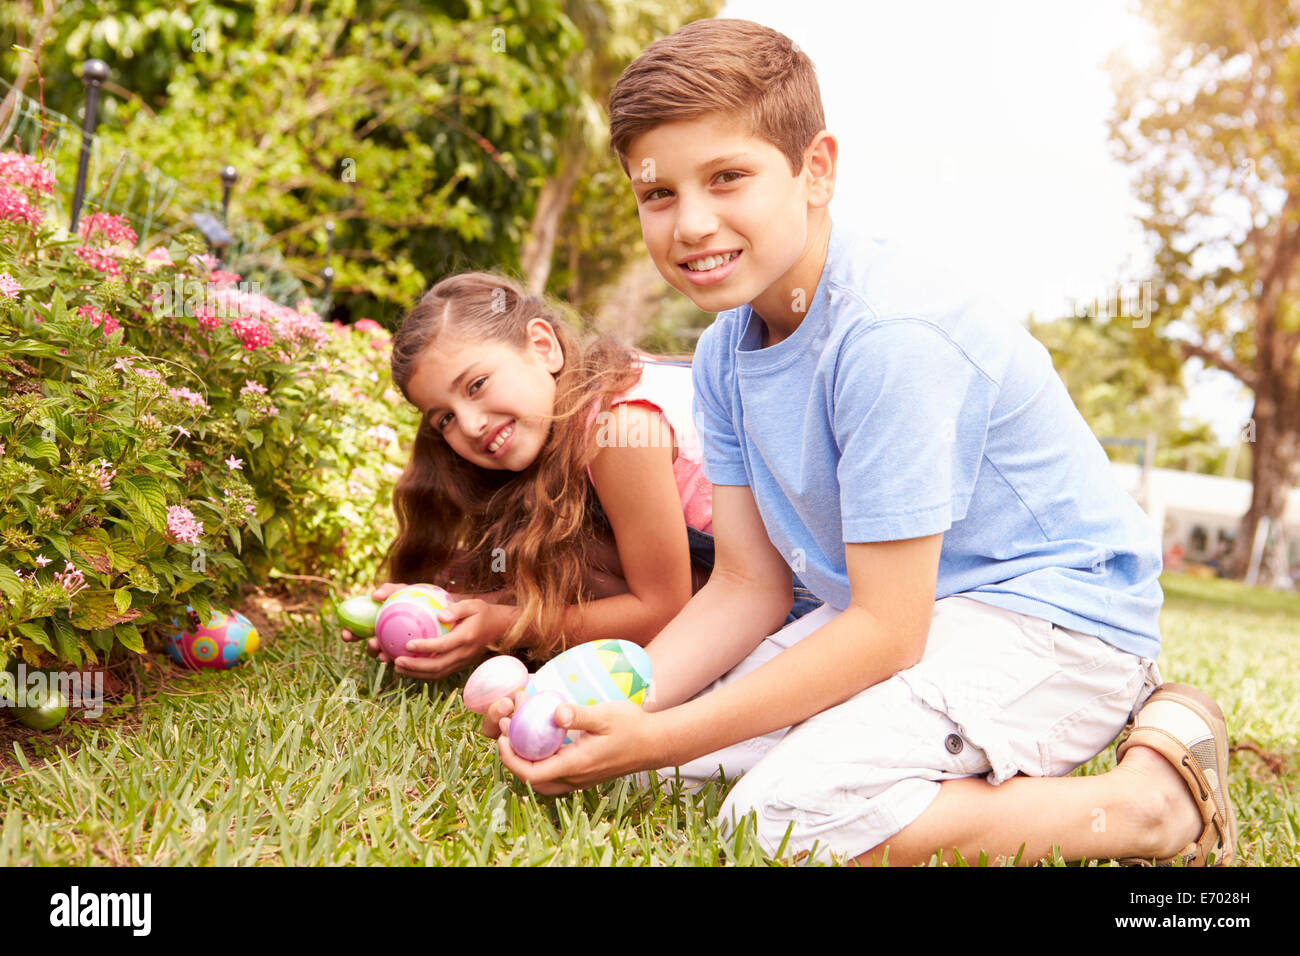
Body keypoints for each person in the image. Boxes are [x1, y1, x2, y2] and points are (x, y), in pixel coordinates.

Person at [487, 18, 1237, 868]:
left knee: (777, 821)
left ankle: (1146, 804)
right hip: (910, 617)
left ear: (816, 170)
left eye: (728, 178)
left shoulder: (888, 333)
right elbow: (744, 586)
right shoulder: (725, 353)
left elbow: (887, 630)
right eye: (659, 194)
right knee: (674, 770)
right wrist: (608, 712)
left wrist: (651, 737)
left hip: (1052, 622)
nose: (691, 223)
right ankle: (928, 768)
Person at [341, 270, 822, 679]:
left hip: (807, 600)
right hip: (750, 585)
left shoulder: (621, 428)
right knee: (550, 551)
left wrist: (502, 624)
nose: (469, 425)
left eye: (477, 385)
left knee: (566, 556)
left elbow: (664, 611)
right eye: (443, 417)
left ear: (543, 347)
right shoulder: (575, 418)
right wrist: (448, 608)